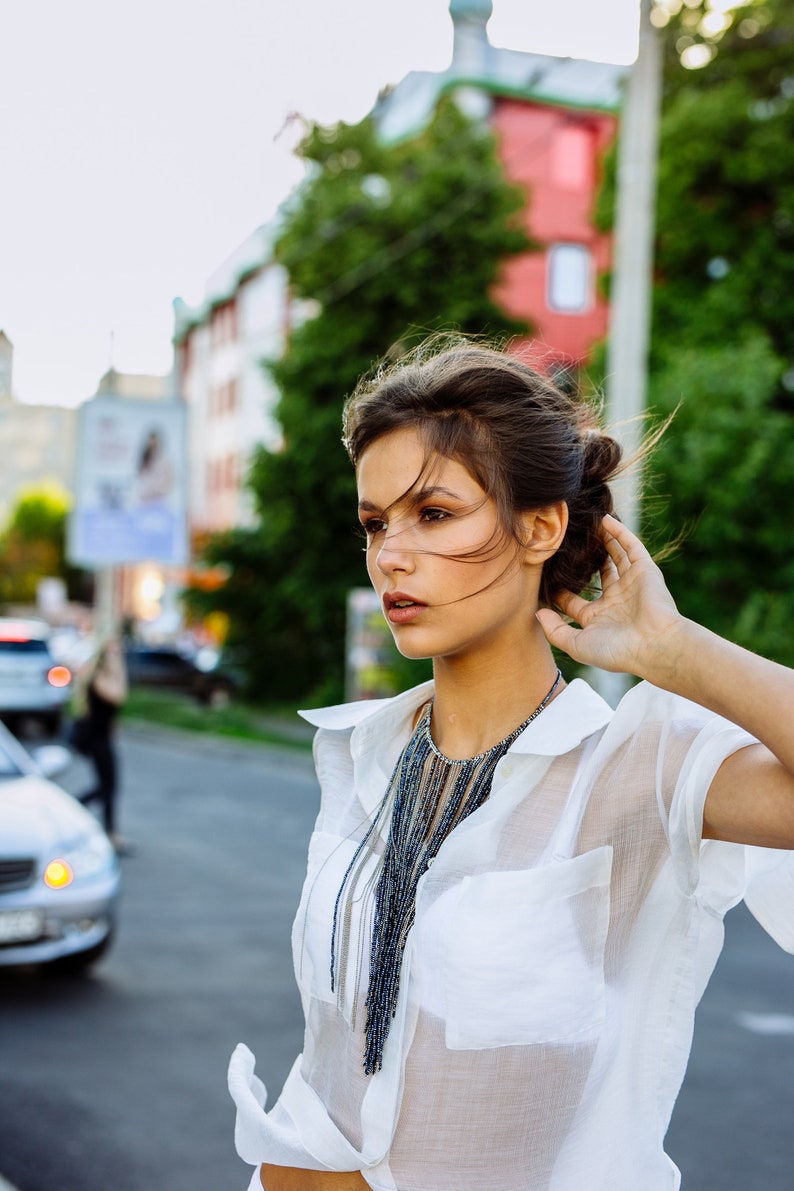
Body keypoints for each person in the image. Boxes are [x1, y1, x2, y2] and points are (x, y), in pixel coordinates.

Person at [228, 339, 794, 1191]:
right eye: (376, 523)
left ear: (540, 526)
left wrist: (673, 651)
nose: (391, 555)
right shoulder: (366, 757)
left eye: (435, 513)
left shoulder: (634, 770)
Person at [75, 636, 130, 854]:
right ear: (103, 655)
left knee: (108, 786)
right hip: (94, 739)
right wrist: (120, 669)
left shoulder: (108, 676)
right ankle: (107, 830)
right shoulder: (99, 677)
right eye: (113, 653)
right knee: (108, 785)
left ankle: (107, 828)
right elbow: (118, 697)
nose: (117, 657)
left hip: (103, 738)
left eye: (119, 653)